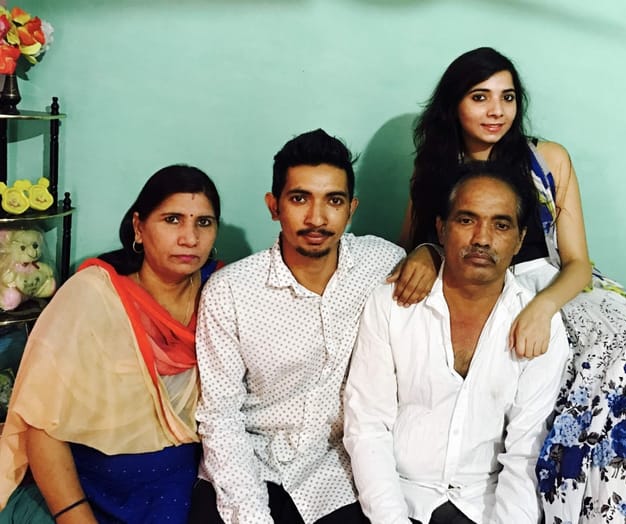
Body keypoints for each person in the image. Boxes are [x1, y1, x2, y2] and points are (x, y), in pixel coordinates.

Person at [402, 47, 626, 522]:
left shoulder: (546, 159)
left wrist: (543, 307)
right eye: (480, 97)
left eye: (507, 97)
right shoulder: (432, 170)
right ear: (454, 104)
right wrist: (425, 251)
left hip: (553, 285)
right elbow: (412, 243)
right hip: (478, 287)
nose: (496, 110)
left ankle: (622, 510)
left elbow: (578, 263)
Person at [191, 129, 438, 524]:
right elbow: (220, 417)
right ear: (273, 206)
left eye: (333, 201)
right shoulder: (230, 291)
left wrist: (431, 253)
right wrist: (252, 515)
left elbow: (445, 271)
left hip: (339, 474)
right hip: (252, 465)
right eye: (299, 198)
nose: (317, 218)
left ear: (351, 209)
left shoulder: (384, 263)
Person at [344, 163, 569, 524]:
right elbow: (368, 427)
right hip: (398, 496)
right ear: (442, 228)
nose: (482, 238)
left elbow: (526, 453)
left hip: (485, 503)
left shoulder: (540, 325)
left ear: (519, 239)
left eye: (501, 225)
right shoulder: (392, 304)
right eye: (467, 220)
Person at [0, 164, 223, 523]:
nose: (190, 238)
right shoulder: (93, 296)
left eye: (204, 222)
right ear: (139, 227)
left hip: (184, 491)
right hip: (87, 491)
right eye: (172, 220)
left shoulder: (222, 296)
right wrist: (75, 515)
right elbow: (40, 425)